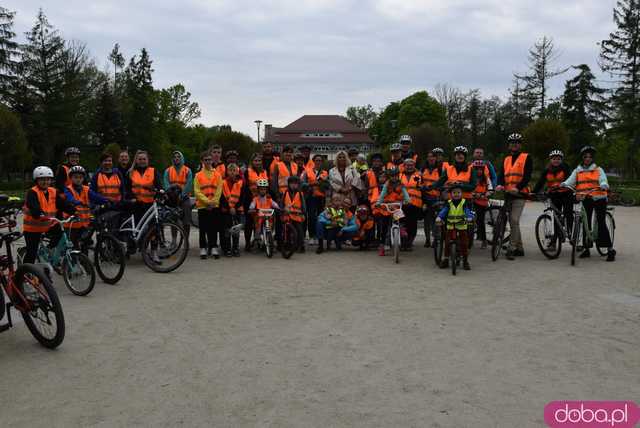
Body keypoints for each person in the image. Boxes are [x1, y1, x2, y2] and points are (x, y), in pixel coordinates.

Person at [561, 145, 616, 261]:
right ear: (582, 158)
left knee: (600, 222)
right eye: (585, 157)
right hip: (585, 198)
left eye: (590, 157)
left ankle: (610, 249)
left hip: (599, 197)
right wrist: (564, 184)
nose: (587, 159)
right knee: (585, 222)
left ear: (592, 158)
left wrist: (604, 185)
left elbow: (603, 179)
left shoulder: (598, 169)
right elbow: (570, 180)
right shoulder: (578, 170)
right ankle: (587, 248)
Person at [22, 166, 76, 264]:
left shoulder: (53, 191)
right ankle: (24, 273)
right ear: (36, 180)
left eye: (48, 179)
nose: (45, 182)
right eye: (42, 179)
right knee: (31, 254)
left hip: (47, 225)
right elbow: (34, 207)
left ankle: (49, 249)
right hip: (32, 228)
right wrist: (39, 214)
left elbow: (62, 204)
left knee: (60, 232)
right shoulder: (32, 192)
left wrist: (74, 211)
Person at [495, 133, 533, 259]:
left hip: (519, 194)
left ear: (520, 145)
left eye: (517, 142)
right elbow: (501, 175)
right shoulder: (506, 159)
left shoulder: (526, 157)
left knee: (514, 220)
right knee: (513, 222)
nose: (514, 144)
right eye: (512, 142)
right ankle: (520, 248)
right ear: (509, 145)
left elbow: (527, 176)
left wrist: (518, 187)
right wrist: (500, 184)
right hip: (508, 193)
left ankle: (511, 249)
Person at [64, 166, 109, 248]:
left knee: (85, 245)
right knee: (73, 247)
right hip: (72, 225)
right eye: (75, 177)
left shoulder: (86, 189)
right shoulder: (68, 189)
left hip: (84, 224)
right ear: (71, 178)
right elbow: (70, 198)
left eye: (80, 177)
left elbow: (95, 197)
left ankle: (84, 259)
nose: (78, 179)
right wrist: (77, 202)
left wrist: (107, 200)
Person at [533, 149, 573, 238]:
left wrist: (562, 185)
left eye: (558, 159)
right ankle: (554, 240)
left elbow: (569, 179)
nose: (556, 161)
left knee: (568, 212)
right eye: (554, 159)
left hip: (566, 193)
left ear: (561, 160)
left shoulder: (565, 168)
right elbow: (540, 182)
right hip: (554, 194)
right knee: (555, 217)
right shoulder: (547, 170)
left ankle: (570, 232)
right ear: (550, 160)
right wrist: (533, 192)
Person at [435, 184, 474, 270]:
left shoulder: (464, 203)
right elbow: (444, 211)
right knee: (447, 242)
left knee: (464, 243)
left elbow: (467, 211)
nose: (456, 194)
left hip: (461, 226)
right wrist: (439, 217)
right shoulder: (449, 203)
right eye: (454, 192)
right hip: (450, 226)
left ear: (462, 193)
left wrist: (469, 217)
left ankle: (465, 261)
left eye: (458, 192)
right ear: (451, 194)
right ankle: (446, 259)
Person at [194, 151, 224, 259]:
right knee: (203, 228)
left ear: (212, 161)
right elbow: (197, 191)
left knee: (213, 227)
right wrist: (207, 202)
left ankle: (213, 246)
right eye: (205, 160)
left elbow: (219, 189)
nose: (208, 161)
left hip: (214, 205)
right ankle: (203, 247)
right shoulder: (198, 175)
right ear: (202, 161)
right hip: (203, 206)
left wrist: (213, 202)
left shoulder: (217, 174)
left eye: (209, 159)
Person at [375, 168, 411, 256]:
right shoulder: (387, 184)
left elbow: (405, 193)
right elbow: (382, 194)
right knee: (384, 227)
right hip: (387, 206)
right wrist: (379, 203)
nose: (394, 177)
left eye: (395, 175)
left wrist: (408, 200)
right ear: (389, 177)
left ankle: (401, 228)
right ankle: (382, 247)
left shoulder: (401, 184)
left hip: (396, 205)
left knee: (401, 216)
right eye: (392, 176)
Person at [163, 150, 193, 241]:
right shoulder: (168, 170)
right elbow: (166, 183)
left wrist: (181, 195)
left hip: (184, 198)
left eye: (178, 157)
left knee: (186, 221)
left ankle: (185, 240)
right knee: (173, 220)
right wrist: (172, 194)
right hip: (172, 198)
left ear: (182, 158)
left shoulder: (187, 170)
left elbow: (189, 184)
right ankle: (174, 240)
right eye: (174, 157)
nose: (176, 158)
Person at [301, 154, 328, 246]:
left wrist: (323, 184)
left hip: (321, 197)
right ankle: (312, 236)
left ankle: (319, 236)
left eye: (320, 160)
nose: (318, 162)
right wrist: (311, 184)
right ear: (313, 161)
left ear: (322, 162)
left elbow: (328, 185)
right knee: (311, 217)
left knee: (320, 217)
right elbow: (302, 183)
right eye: (316, 160)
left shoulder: (325, 173)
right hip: (311, 197)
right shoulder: (307, 171)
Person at [243, 153, 269, 250]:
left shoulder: (264, 172)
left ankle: (259, 240)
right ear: (252, 162)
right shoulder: (247, 171)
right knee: (249, 222)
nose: (257, 162)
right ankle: (247, 243)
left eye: (259, 161)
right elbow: (245, 186)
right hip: (250, 199)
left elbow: (267, 185)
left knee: (261, 221)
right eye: (255, 161)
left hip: (262, 199)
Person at [221, 163, 244, 257]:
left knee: (236, 230)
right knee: (227, 230)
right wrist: (229, 208)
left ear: (237, 172)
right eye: (230, 170)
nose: (232, 172)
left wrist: (235, 207)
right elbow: (221, 197)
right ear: (227, 171)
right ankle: (227, 249)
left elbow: (242, 197)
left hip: (237, 210)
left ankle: (235, 248)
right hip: (226, 210)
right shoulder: (223, 183)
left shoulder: (240, 183)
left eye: (234, 170)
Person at [399, 158, 422, 249]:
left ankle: (409, 242)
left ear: (414, 166)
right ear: (404, 166)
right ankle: (403, 241)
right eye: (407, 165)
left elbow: (422, 189)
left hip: (414, 204)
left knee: (412, 224)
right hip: (402, 204)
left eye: (411, 165)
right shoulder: (399, 176)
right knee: (402, 223)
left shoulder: (418, 175)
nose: (409, 167)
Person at [248, 178, 280, 245]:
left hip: (268, 217)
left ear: (266, 190)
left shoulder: (269, 198)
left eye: (264, 189)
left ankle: (270, 238)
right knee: (258, 225)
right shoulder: (256, 198)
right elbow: (252, 205)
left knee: (272, 225)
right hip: (259, 217)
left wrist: (278, 208)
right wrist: (252, 208)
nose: (263, 191)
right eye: (261, 189)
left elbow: (274, 204)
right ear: (258, 190)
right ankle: (257, 237)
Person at [471, 158, 493, 248]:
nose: (479, 171)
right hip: (472, 201)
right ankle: (469, 239)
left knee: (480, 221)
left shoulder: (486, 179)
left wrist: (485, 195)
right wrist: (474, 195)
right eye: (477, 169)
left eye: (481, 169)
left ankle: (484, 240)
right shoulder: (471, 178)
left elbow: (491, 190)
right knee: (468, 220)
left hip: (482, 203)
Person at [281, 175, 306, 253]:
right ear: (288, 184)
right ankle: (287, 244)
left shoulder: (300, 193)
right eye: (292, 183)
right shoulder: (285, 192)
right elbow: (282, 203)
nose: (294, 185)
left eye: (296, 183)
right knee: (287, 231)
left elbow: (303, 205)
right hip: (287, 215)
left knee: (299, 231)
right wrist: (283, 209)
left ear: (298, 184)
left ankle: (301, 245)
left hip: (297, 215)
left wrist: (303, 213)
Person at [421, 150, 441, 248]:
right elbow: (419, 182)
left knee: (435, 220)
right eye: (429, 156)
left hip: (436, 198)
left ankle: (435, 239)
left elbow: (443, 182)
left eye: (433, 157)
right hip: (425, 197)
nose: (431, 158)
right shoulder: (423, 169)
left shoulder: (440, 169)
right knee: (427, 220)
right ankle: (427, 239)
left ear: (436, 158)